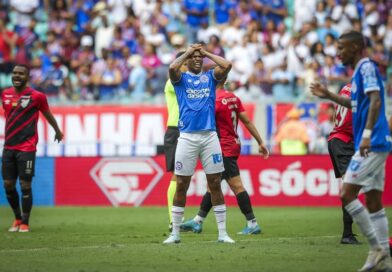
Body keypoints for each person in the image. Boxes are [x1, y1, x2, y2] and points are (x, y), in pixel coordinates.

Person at [310, 30, 392, 271]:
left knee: (347, 194)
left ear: (356, 48)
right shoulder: (358, 72)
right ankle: (384, 260)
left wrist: (366, 136)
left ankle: (377, 248)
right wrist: (329, 95)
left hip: (372, 142)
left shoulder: (366, 67)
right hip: (373, 143)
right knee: (374, 200)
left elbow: (376, 100)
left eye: (342, 48)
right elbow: (355, 104)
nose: (337, 53)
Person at [163, 44, 233, 244]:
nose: (197, 59)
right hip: (187, 137)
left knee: (215, 183)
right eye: (192, 57)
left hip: (210, 137)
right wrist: (188, 52)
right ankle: (175, 233)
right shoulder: (180, 79)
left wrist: (206, 53)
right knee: (182, 184)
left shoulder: (210, 77)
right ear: (185, 61)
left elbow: (227, 65)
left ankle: (222, 233)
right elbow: (171, 69)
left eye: (199, 57)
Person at [180, 78, 269, 235]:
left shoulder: (214, 100)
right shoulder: (233, 97)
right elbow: (247, 121)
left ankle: (252, 223)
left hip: (222, 147)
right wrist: (260, 142)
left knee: (236, 185)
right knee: (212, 184)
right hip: (233, 144)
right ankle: (198, 221)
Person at [2, 64, 63, 232]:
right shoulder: (5, 94)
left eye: (21, 73)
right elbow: (10, 117)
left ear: (27, 77)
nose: (17, 76)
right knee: (8, 184)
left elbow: (48, 114)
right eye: (14, 73)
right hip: (8, 147)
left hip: (27, 148)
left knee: (25, 184)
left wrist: (57, 131)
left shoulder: (37, 96)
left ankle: (25, 223)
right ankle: (17, 218)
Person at [313, 83, 359, 244]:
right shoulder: (364, 89)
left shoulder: (346, 88)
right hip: (344, 142)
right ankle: (347, 234)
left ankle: (350, 232)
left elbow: (339, 114)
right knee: (350, 189)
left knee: (353, 188)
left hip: (337, 140)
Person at [163, 50, 187, 231]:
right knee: (178, 176)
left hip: (189, 130)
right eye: (187, 62)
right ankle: (174, 220)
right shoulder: (173, 81)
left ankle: (180, 217)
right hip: (175, 130)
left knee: (184, 177)